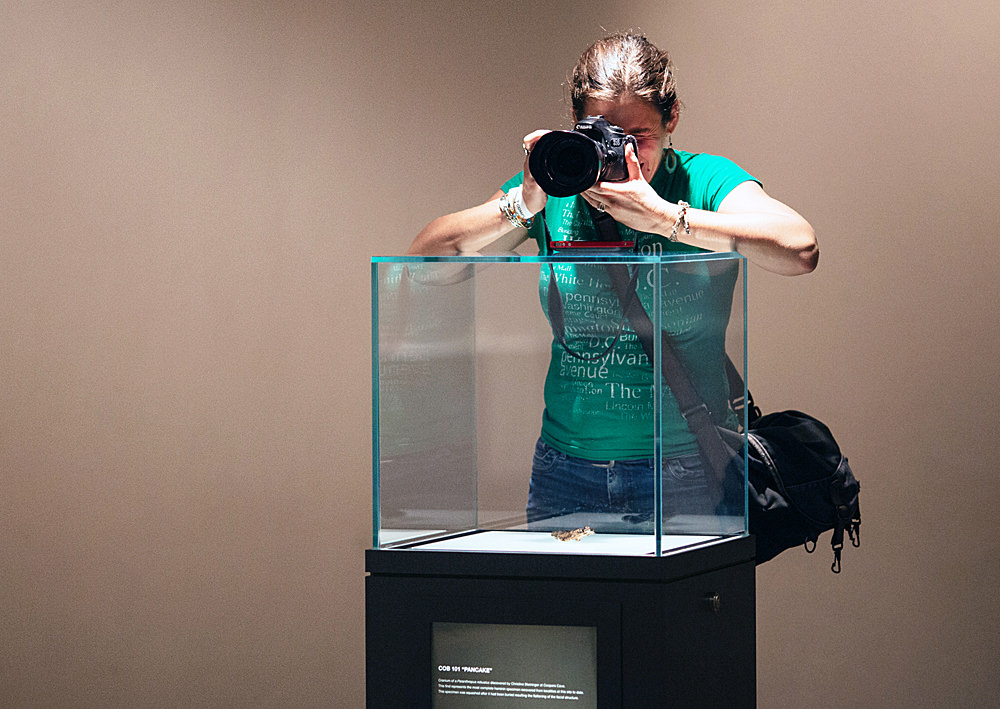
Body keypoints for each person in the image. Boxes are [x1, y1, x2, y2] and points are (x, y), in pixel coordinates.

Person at [408, 33, 817, 533]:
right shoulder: (562, 188)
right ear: (576, 126)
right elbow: (424, 264)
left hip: (684, 466)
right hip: (565, 469)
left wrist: (666, 218)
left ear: (672, 121)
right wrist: (523, 204)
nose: (622, 153)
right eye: (604, 134)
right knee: (570, 614)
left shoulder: (701, 181)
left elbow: (799, 249)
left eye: (639, 136)